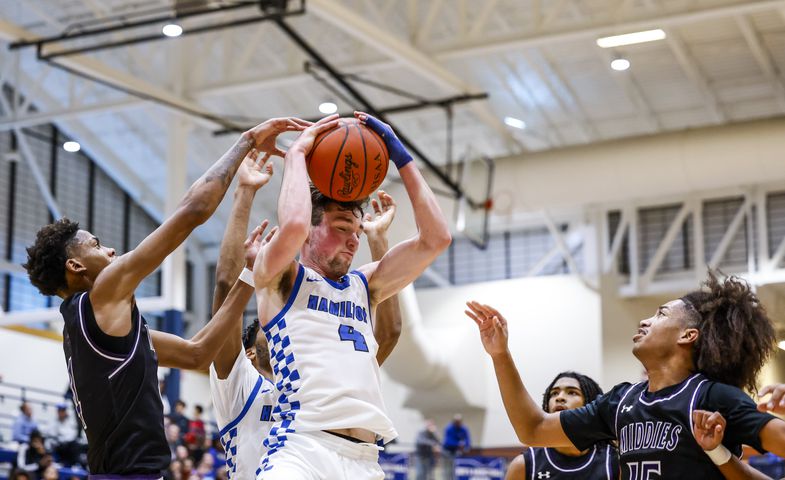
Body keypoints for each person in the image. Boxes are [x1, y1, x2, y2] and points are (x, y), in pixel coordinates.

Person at [22, 116, 309, 477]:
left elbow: (198, 353)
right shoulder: (100, 299)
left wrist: (251, 275)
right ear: (76, 266)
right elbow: (192, 212)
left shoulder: (95, 329)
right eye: (96, 244)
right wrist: (247, 141)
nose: (110, 251)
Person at [252, 112, 451, 479]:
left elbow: (436, 238)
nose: (354, 239)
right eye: (342, 227)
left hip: (364, 460)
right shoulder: (280, 277)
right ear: (309, 233)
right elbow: (294, 224)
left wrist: (401, 156)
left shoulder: (364, 286)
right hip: (302, 448)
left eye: (357, 230)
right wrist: (297, 154)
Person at [466, 272, 785, 480]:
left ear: (688, 336)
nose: (646, 320)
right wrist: (500, 355)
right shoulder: (621, 402)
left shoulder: (712, 397)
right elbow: (533, 429)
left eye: (660, 314)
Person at [208, 147, 403, 479]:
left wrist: (377, 239)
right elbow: (226, 288)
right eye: (267, 329)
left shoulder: (324, 376)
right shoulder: (239, 383)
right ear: (251, 353)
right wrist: (245, 193)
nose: (278, 329)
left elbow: (388, 333)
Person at [505, 372, 618, 480]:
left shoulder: (614, 462)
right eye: (554, 393)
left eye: (572, 392)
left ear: (590, 405)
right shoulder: (523, 465)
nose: (559, 398)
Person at [441, 414, 471, 480]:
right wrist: (458, 444)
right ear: (454, 422)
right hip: (447, 451)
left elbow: (467, 439)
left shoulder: (464, 428)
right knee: (447, 469)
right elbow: (447, 441)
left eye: (459, 422)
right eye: (456, 422)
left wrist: (466, 447)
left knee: (455, 468)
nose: (458, 423)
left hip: (456, 451)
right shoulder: (449, 428)